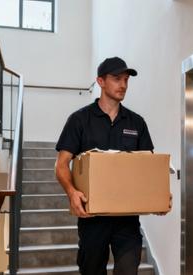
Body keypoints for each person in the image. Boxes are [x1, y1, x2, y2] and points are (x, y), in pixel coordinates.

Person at [55, 57, 169, 275]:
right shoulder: (79, 120)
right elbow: (61, 165)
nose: (123, 84)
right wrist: (72, 192)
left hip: (127, 220)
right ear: (100, 81)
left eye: (126, 79)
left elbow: (148, 169)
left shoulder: (136, 122)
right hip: (92, 218)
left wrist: (160, 194)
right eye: (117, 79)